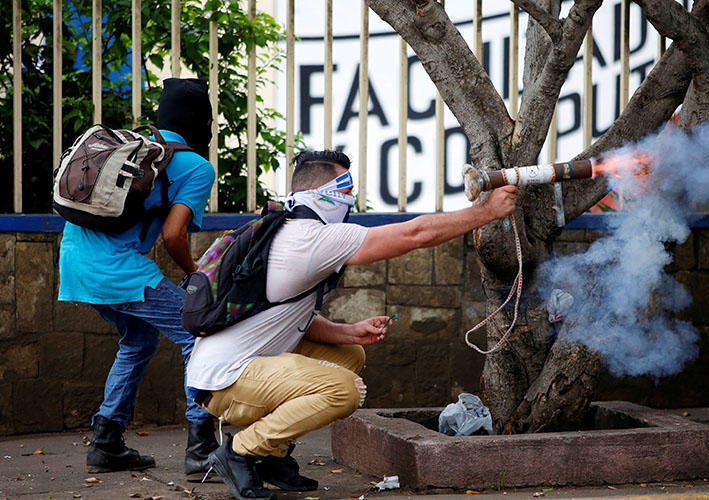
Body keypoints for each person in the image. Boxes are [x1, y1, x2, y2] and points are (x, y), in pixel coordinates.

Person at [185, 150, 517, 500]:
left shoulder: (287, 229)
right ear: (323, 195)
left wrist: (347, 331)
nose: (350, 201)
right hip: (227, 380)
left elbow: (288, 317)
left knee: (349, 354)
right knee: (345, 390)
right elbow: (415, 234)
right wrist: (486, 212)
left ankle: (273, 456)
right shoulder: (310, 237)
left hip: (231, 368)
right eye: (346, 192)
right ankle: (240, 451)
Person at [58, 78, 219, 480]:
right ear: (202, 121)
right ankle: (202, 449)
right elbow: (173, 235)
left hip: (74, 263)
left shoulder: (131, 147)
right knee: (199, 335)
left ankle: (107, 440)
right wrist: (197, 275)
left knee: (139, 339)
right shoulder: (196, 166)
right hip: (116, 270)